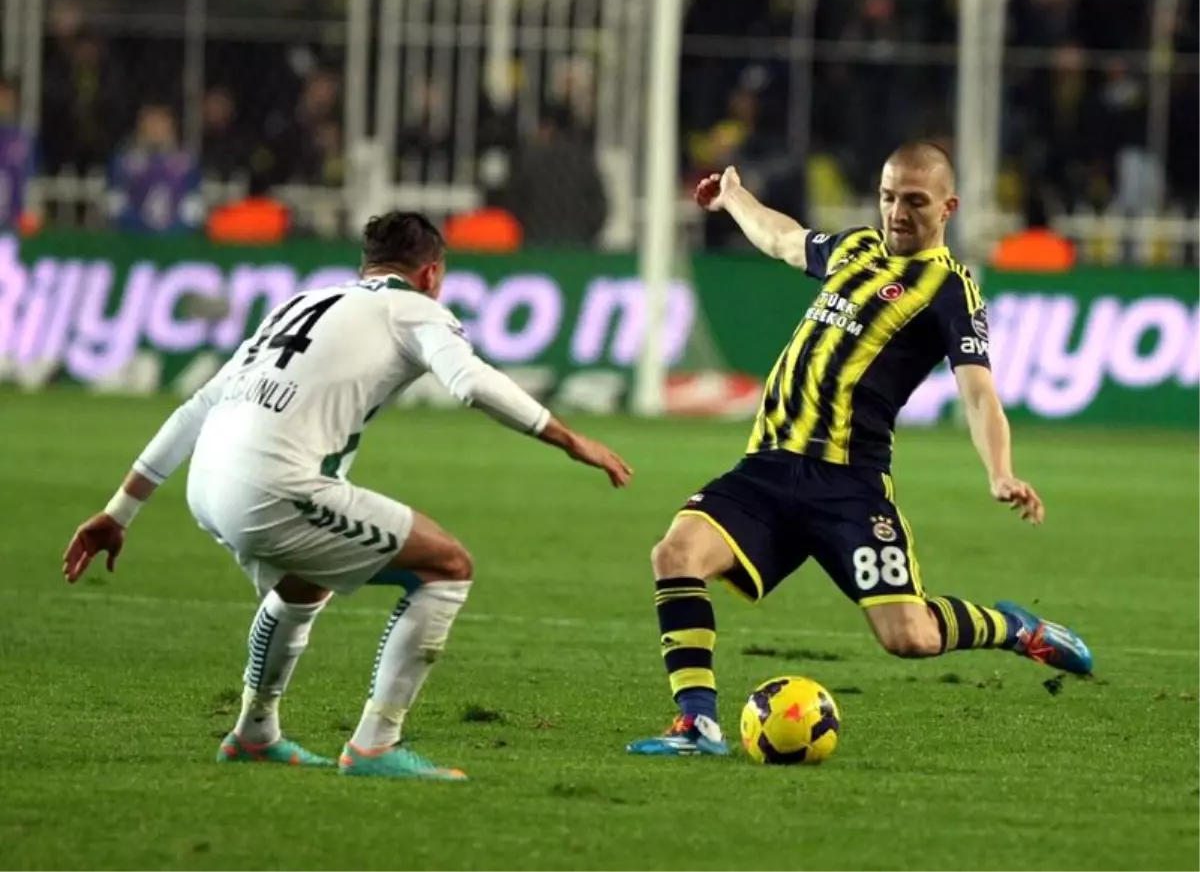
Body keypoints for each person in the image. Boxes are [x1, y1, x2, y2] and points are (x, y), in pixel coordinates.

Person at [62, 211, 633, 780]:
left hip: (208, 484)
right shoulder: (413, 307)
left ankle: (255, 733)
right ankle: (375, 745)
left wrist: (120, 512)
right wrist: (568, 438)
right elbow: (470, 381)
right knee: (447, 567)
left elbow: (196, 406)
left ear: (366, 264)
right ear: (432, 273)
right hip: (274, 486)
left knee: (304, 582)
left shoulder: (300, 302)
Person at [626, 142, 1093, 758]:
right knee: (676, 553)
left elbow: (979, 394)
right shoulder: (854, 249)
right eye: (888, 196)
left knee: (911, 636)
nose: (898, 212)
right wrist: (735, 197)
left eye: (915, 201)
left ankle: (1016, 627)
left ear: (947, 207)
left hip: (848, 487)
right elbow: (783, 239)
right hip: (768, 467)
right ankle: (698, 724)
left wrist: (1000, 471)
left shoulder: (950, 290)